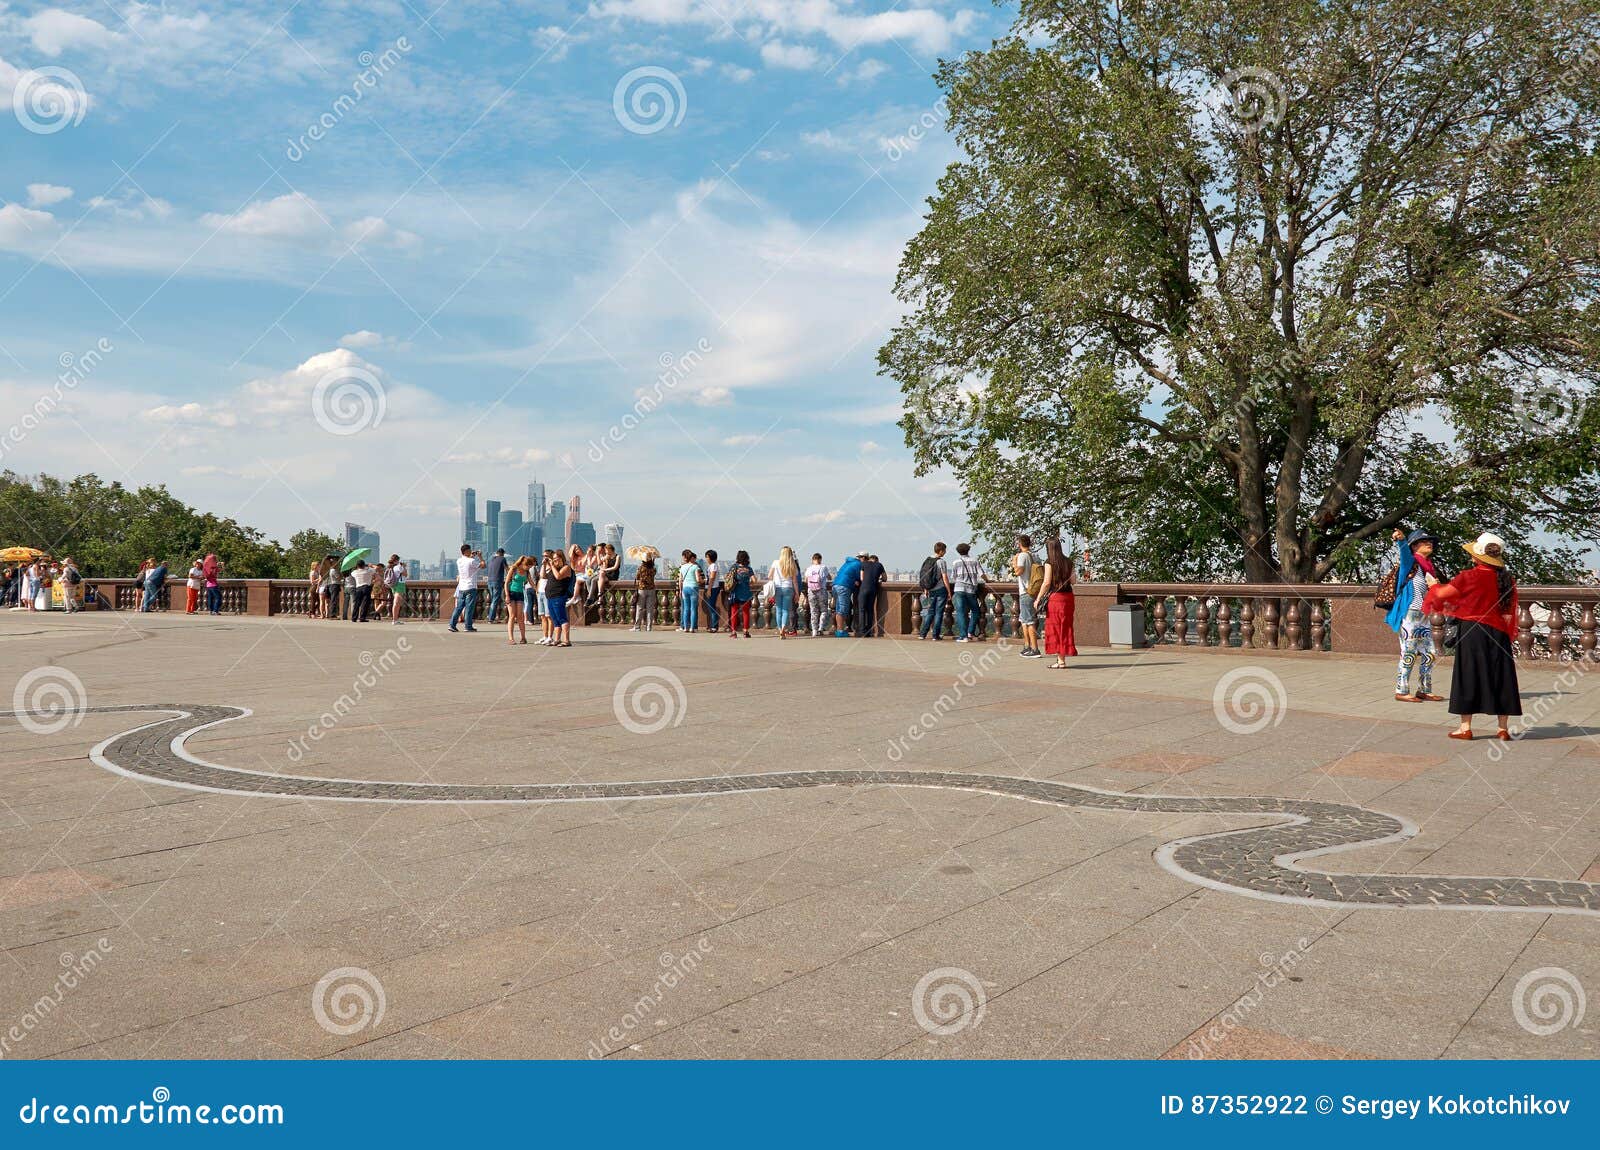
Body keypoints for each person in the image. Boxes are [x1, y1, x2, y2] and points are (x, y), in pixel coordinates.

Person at [1424, 533, 1521, 741]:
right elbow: (1509, 612)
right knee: (1502, 676)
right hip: (1498, 632)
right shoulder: (1506, 579)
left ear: (1478, 556)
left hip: (1472, 631)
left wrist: (1433, 585)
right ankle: (1502, 728)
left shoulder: (1467, 576)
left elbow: (1442, 595)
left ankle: (1465, 727)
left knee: (1467, 675)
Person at [1384, 527, 1445, 702]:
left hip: (1423, 615)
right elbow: (1403, 553)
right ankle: (1402, 691)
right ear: (1414, 546)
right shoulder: (1410, 563)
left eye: (1430, 542)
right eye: (1425, 542)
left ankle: (1424, 689)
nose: (1430, 544)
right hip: (1409, 614)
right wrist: (1402, 540)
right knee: (1408, 652)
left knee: (1430, 652)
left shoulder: (1428, 568)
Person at [1037, 538, 1078, 668]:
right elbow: (1073, 581)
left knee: (1055, 628)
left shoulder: (1049, 563)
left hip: (1056, 599)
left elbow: (1046, 582)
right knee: (1065, 627)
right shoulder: (1069, 562)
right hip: (1068, 598)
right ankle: (1062, 659)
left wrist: (1038, 598)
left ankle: (1060, 660)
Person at [1013, 535, 1043, 658]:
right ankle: (1027, 646)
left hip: (1026, 591)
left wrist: (1014, 562)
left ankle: (1034, 649)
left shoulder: (1022, 556)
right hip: (1034, 590)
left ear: (1020, 544)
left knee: (1029, 621)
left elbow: (1018, 572)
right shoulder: (1035, 556)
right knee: (1024, 620)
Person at [950, 543, 985, 643]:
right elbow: (981, 573)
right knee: (975, 611)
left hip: (959, 589)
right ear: (968, 550)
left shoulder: (956, 562)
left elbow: (953, 577)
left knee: (960, 613)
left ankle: (963, 636)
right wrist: (988, 581)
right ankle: (970, 632)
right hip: (971, 589)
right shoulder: (974, 561)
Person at [917, 542, 951, 641]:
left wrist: (926, 588)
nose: (945, 552)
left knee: (930, 612)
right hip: (940, 590)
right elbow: (944, 577)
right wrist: (949, 591)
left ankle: (922, 634)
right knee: (939, 613)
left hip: (930, 589)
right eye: (944, 550)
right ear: (940, 551)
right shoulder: (941, 562)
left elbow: (926, 576)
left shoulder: (928, 560)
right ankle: (935, 635)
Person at [449, 544, 481, 633]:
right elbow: (483, 565)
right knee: (469, 608)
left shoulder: (459, 561)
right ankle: (468, 626)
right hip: (471, 587)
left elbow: (467, 561)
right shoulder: (471, 561)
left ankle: (452, 625)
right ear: (466, 551)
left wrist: (472, 556)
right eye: (470, 550)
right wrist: (480, 557)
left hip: (461, 588)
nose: (471, 551)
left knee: (458, 608)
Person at [768, 547, 800, 638]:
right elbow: (795, 581)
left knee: (778, 610)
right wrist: (797, 593)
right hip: (788, 588)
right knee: (786, 610)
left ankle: (779, 630)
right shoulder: (792, 564)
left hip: (777, 588)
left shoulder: (775, 562)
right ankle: (783, 629)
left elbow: (769, 576)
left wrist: (776, 578)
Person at [545, 550, 573, 647]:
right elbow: (543, 576)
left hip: (559, 596)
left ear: (561, 558)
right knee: (555, 619)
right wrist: (545, 565)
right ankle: (557, 639)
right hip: (550, 596)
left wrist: (552, 565)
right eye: (553, 559)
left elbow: (558, 576)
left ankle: (566, 640)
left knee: (562, 618)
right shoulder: (553, 568)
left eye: (556, 558)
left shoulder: (566, 567)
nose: (554, 560)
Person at [831, 552, 863, 637]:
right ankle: (840, 631)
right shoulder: (859, 564)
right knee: (842, 609)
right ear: (863, 558)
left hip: (835, 585)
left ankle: (839, 630)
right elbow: (860, 578)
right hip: (844, 587)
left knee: (838, 609)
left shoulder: (848, 563)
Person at [726, 550, 756, 638]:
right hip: (746, 593)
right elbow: (755, 580)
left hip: (735, 593)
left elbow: (728, 578)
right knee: (746, 612)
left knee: (734, 612)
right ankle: (746, 631)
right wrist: (748, 582)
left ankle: (734, 632)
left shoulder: (734, 567)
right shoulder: (748, 569)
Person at [857, 553, 886, 637]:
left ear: (869, 558)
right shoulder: (879, 565)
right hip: (873, 589)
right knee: (870, 610)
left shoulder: (863, 564)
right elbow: (885, 578)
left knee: (862, 610)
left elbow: (862, 578)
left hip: (863, 589)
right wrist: (878, 578)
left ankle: (862, 631)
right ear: (876, 560)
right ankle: (869, 631)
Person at [803, 553, 831, 637]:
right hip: (821, 590)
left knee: (813, 611)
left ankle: (814, 631)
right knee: (824, 610)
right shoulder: (823, 567)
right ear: (820, 559)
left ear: (812, 559)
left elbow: (805, 580)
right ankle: (820, 628)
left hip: (811, 591)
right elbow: (829, 578)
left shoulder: (809, 568)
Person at [505, 556, 529, 644]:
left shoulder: (526, 572)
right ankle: (511, 638)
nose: (528, 568)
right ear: (523, 564)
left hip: (520, 594)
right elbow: (506, 582)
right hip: (511, 593)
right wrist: (507, 595)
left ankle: (523, 638)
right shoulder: (513, 569)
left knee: (520, 616)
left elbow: (531, 582)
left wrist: (536, 590)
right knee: (512, 615)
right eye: (528, 566)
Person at [677, 550, 701, 632]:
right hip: (693, 588)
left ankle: (685, 627)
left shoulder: (682, 567)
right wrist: (703, 580)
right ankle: (692, 627)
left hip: (685, 588)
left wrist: (680, 590)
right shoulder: (695, 567)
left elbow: (680, 580)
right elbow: (698, 580)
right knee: (693, 609)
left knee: (686, 608)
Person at [633, 555, 657, 631]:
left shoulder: (641, 568)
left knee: (640, 608)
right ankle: (649, 627)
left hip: (642, 589)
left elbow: (637, 577)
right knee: (650, 609)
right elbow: (653, 573)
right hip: (651, 589)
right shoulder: (653, 569)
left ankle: (637, 627)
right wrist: (653, 562)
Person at [486, 548, 508, 624]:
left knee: (492, 600)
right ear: (502, 553)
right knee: (495, 600)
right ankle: (491, 619)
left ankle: (490, 617)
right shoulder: (502, 559)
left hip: (489, 581)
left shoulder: (491, 559)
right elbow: (507, 569)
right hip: (497, 581)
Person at [703, 549, 723, 633]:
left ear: (711, 557)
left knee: (712, 607)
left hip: (713, 588)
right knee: (711, 607)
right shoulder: (711, 566)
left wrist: (709, 589)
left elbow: (712, 577)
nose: (706, 558)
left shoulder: (713, 566)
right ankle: (713, 626)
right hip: (712, 587)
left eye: (707, 557)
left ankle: (714, 626)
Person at [386, 555, 407, 624]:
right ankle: (395, 620)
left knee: (396, 602)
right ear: (397, 560)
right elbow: (405, 574)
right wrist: (404, 567)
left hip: (393, 585)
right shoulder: (398, 567)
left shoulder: (390, 566)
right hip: (399, 584)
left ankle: (395, 619)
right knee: (397, 603)